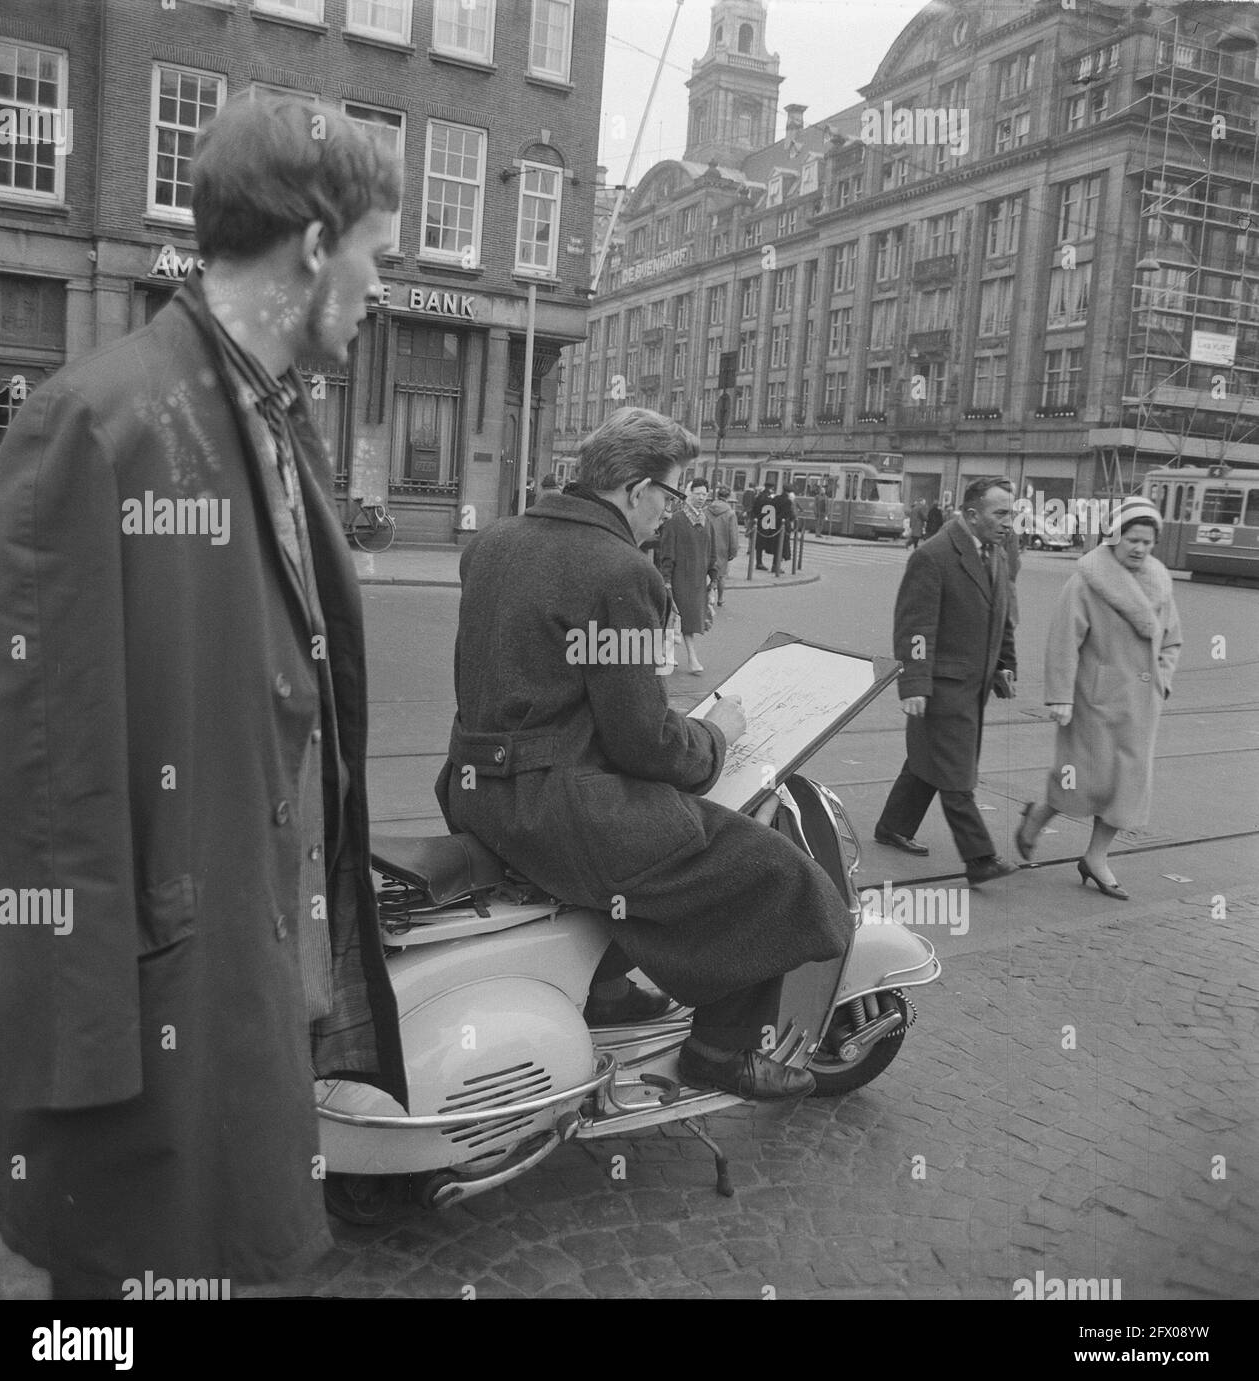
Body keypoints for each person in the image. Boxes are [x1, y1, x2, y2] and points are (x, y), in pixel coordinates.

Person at [0, 94, 408, 1299]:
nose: (382, 286)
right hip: (149, 1025)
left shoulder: (269, 419)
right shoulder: (102, 423)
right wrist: (74, 1081)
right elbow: (35, 786)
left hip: (240, 975)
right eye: (378, 250)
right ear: (315, 247)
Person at [435, 407, 856, 1100]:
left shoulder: (496, 542)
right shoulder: (620, 571)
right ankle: (719, 1053)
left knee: (658, 854)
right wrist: (715, 734)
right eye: (672, 493)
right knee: (776, 875)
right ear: (634, 490)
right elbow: (644, 742)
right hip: (556, 810)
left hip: (474, 792)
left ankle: (603, 990)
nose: (671, 511)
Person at [1015, 498, 1182, 899]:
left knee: (1126, 785)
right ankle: (1038, 816)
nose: (1139, 549)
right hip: (1093, 699)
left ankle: (1096, 857)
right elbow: (1063, 641)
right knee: (1081, 777)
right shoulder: (1088, 581)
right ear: (1115, 536)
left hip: (1141, 705)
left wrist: (1162, 679)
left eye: (1147, 542)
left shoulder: (1160, 581)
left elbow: (1172, 639)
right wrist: (1060, 696)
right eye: (1132, 539)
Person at [874, 477, 1020, 885]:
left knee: (929, 759)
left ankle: (892, 826)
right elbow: (915, 627)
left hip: (974, 684)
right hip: (943, 685)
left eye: (1012, 513)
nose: (1009, 522)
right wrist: (915, 683)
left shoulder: (996, 552)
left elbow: (1002, 616)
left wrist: (1005, 664)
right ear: (972, 515)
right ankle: (979, 858)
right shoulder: (934, 556)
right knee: (956, 773)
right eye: (1001, 513)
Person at [658, 477, 718, 675]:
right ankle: (690, 658)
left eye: (704, 494)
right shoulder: (675, 522)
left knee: (683, 620)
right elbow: (667, 555)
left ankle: (670, 654)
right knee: (682, 619)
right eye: (697, 493)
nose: (701, 498)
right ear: (688, 494)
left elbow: (712, 554)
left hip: (698, 581)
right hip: (678, 579)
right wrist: (666, 581)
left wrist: (713, 579)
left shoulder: (706, 522)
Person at [706, 486, 739, 606]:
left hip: (708, 545)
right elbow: (733, 534)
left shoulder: (707, 510)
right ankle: (720, 598)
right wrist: (733, 552)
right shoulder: (730, 513)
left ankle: (708, 596)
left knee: (707, 571)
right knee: (721, 575)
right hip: (722, 547)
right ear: (728, 497)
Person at [751, 482, 780, 572]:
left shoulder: (759, 496)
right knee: (762, 543)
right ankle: (760, 563)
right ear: (769, 488)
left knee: (760, 544)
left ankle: (759, 562)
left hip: (761, 522)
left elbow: (754, 509)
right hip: (766, 522)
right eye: (772, 488)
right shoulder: (768, 498)